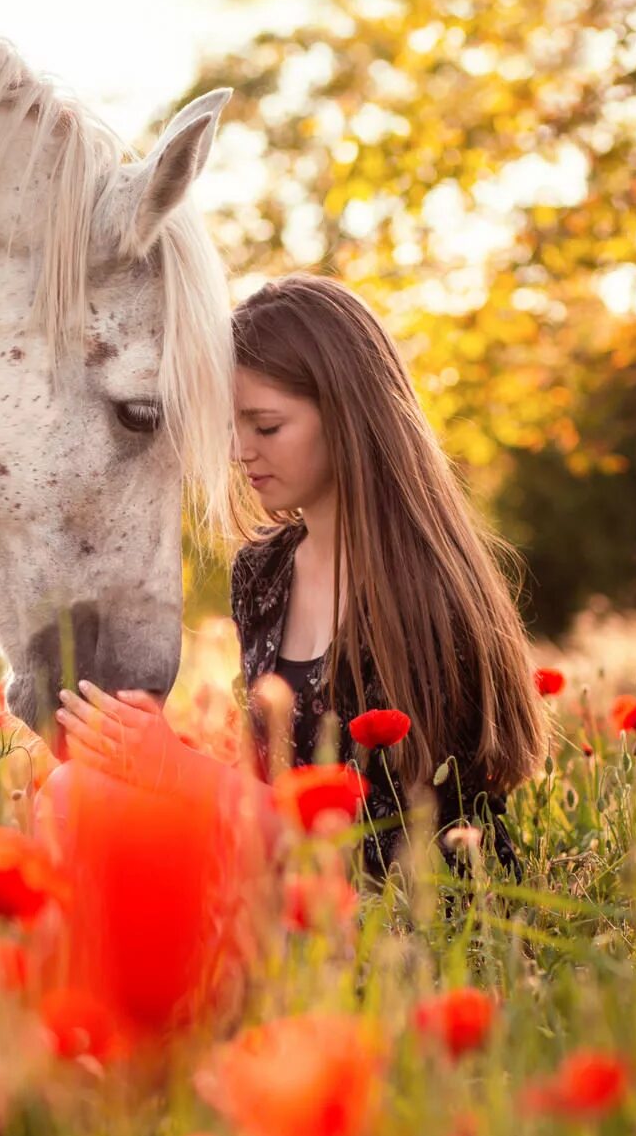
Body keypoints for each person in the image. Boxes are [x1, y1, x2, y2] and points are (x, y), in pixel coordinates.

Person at [57, 273, 547, 878]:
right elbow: (269, 787)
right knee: (71, 790)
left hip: (403, 916)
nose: (240, 452)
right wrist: (143, 747)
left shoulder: (427, 596)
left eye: (266, 427)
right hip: (285, 883)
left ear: (348, 417)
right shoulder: (262, 573)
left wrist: (179, 773)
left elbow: (381, 855)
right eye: (233, 427)